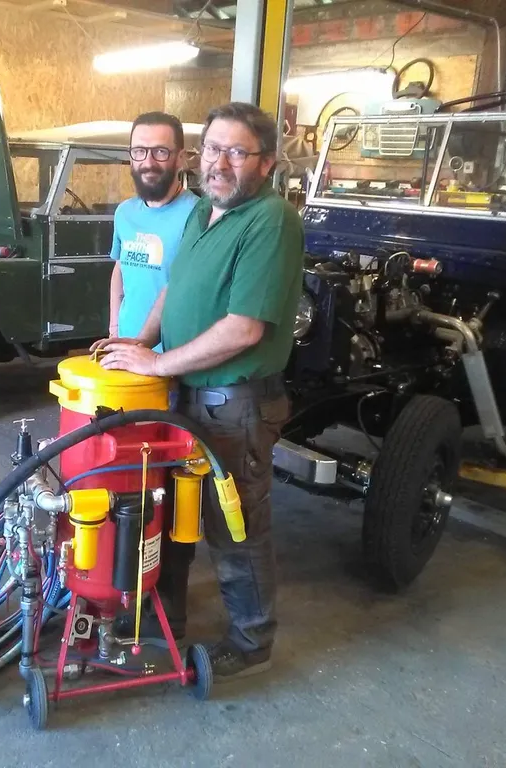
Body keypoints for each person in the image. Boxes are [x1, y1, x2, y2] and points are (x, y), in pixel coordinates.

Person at [94, 102, 305, 681]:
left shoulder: (271, 220)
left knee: (232, 524)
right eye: (214, 149)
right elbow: (174, 289)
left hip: (233, 402)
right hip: (186, 395)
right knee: (170, 510)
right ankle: (167, 616)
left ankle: (251, 639)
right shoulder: (201, 215)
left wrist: (159, 364)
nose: (221, 162)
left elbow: (244, 328)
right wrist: (138, 341)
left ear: (266, 163)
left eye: (237, 152)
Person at [108, 112, 199, 347]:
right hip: (127, 345)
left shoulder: (199, 215)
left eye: (160, 152)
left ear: (180, 158)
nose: (148, 163)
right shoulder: (124, 213)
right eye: (139, 151)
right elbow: (120, 268)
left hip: (174, 354)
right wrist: (115, 329)